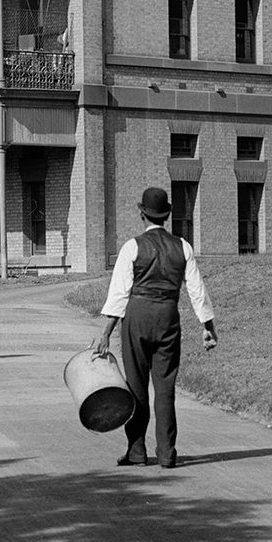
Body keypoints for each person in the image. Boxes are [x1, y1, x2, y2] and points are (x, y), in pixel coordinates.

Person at [92, 185, 217, 469]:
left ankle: (136, 451)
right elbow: (197, 290)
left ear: (142, 214)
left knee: (136, 387)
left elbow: (120, 293)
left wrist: (106, 333)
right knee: (165, 389)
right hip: (168, 318)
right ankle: (167, 453)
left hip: (137, 317)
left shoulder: (132, 247)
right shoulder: (183, 247)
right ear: (167, 215)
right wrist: (207, 325)